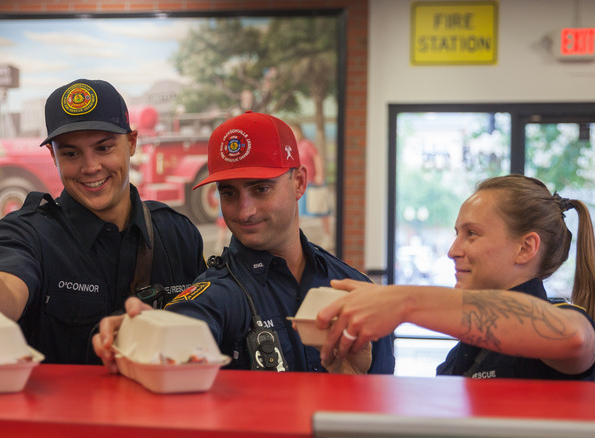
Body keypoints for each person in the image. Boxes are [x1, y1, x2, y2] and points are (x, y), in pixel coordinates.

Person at [0, 79, 207, 364]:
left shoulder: (178, 234)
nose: (90, 167)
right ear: (53, 155)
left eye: (104, 148)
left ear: (131, 143)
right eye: (71, 153)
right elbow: (7, 285)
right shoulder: (26, 233)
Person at [94, 111, 395, 374]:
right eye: (229, 193)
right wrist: (145, 331)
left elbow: (381, 407)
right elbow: (188, 322)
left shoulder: (354, 288)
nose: (244, 211)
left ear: (299, 182)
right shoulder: (221, 292)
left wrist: (353, 381)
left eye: (261, 189)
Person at [317, 174, 595, 380]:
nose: (453, 251)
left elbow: (575, 337)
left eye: (471, 234)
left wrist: (406, 302)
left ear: (525, 248)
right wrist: (353, 378)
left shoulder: (565, 319)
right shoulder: (464, 352)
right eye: (456, 233)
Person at [291, 122, 331, 244]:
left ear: (299, 131)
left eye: (294, 131)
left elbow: (317, 159)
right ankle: (294, 237)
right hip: (299, 184)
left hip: (313, 182)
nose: (293, 134)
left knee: (322, 209)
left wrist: (320, 175)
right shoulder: (291, 147)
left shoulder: (307, 144)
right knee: (297, 211)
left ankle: (327, 236)